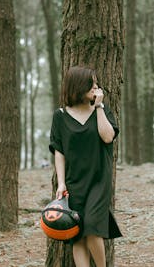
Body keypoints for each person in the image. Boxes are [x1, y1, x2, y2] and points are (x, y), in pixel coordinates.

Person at [49, 66, 122, 267]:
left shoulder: (103, 110)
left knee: (91, 228)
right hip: (74, 182)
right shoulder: (60, 116)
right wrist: (61, 183)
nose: (96, 87)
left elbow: (108, 137)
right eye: (92, 83)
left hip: (99, 179)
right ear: (79, 85)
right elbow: (59, 152)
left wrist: (98, 107)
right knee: (77, 233)